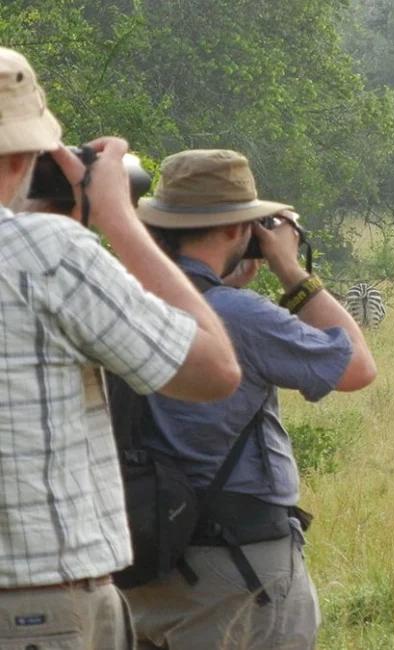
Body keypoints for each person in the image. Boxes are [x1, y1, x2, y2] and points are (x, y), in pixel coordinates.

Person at [0, 48, 242, 649]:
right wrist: (116, 217)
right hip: (37, 600)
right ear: (23, 158)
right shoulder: (47, 254)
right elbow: (212, 370)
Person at [119, 148, 377, 650]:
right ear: (238, 228)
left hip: (140, 560)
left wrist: (221, 276)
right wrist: (291, 271)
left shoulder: (122, 299)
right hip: (235, 564)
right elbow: (357, 367)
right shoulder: (240, 314)